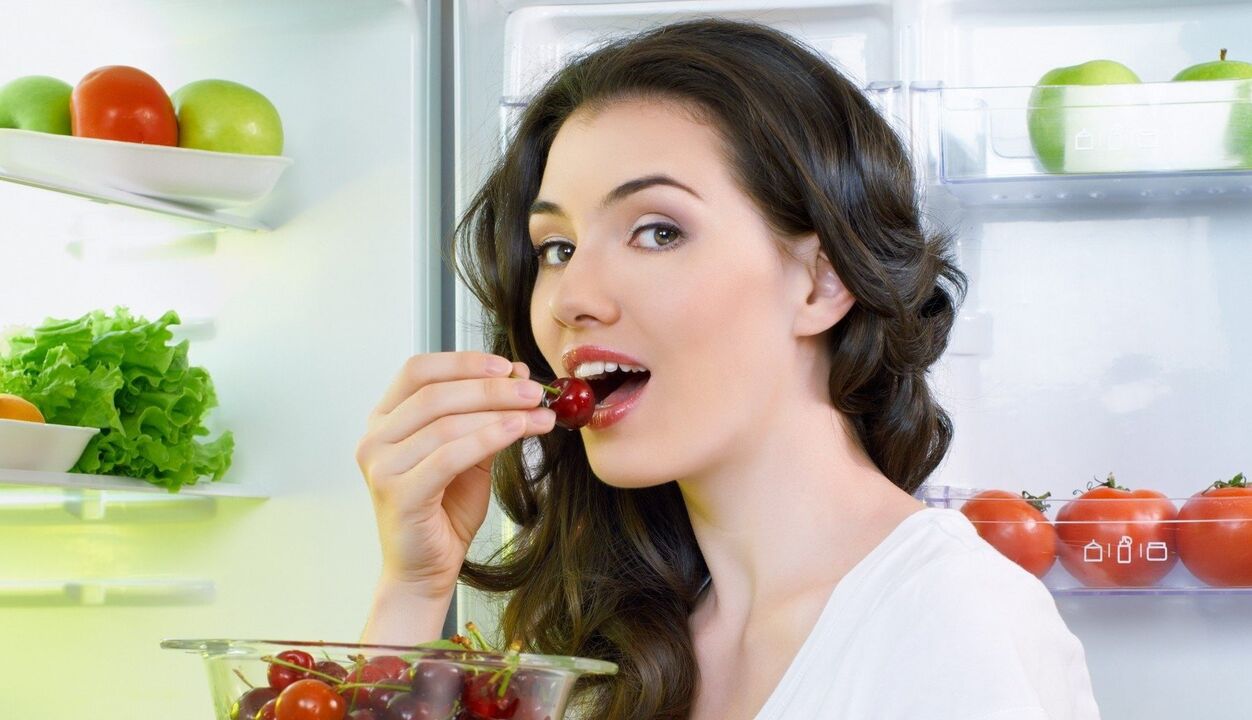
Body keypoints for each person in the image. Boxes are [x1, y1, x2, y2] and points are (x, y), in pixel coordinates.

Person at [355, 17, 1102, 720]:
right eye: (557, 248)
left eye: (657, 231)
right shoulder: (625, 635)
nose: (571, 299)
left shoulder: (951, 621)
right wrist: (412, 590)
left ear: (821, 281)